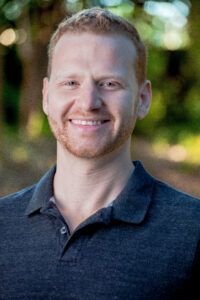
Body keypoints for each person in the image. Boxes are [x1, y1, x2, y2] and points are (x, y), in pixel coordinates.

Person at [0, 7, 199, 300]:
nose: (88, 102)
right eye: (71, 83)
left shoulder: (193, 230)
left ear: (142, 99)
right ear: (45, 96)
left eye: (109, 84)